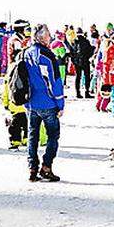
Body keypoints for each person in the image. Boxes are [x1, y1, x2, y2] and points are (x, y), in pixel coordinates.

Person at [25, 24, 65, 182]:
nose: (50, 37)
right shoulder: (47, 56)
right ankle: (46, 167)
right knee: (53, 136)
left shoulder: (26, 53)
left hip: (30, 102)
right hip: (47, 102)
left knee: (32, 136)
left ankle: (32, 168)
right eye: (48, 35)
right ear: (42, 37)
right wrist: (60, 103)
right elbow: (54, 81)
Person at [70, 30, 95, 99]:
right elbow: (90, 51)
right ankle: (87, 93)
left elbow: (71, 52)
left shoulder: (74, 42)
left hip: (77, 62)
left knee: (78, 77)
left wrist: (74, 61)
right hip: (85, 61)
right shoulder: (86, 41)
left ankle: (78, 93)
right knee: (87, 77)